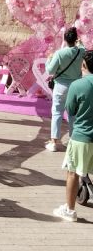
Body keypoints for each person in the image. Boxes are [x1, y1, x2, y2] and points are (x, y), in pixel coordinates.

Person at [53, 50, 93, 222]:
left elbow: (71, 110)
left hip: (82, 136)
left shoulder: (78, 85)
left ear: (84, 65)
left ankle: (70, 210)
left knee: (73, 172)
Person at [45, 27, 86, 152]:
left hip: (61, 86)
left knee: (57, 112)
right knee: (73, 114)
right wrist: (80, 42)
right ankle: (72, 140)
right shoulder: (81, 51)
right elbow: (83, 47)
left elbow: (50, 71)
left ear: (65, 39)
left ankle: (54, 142)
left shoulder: (60, 53)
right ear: (75, 39)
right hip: (76, 86)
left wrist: (49, 59)